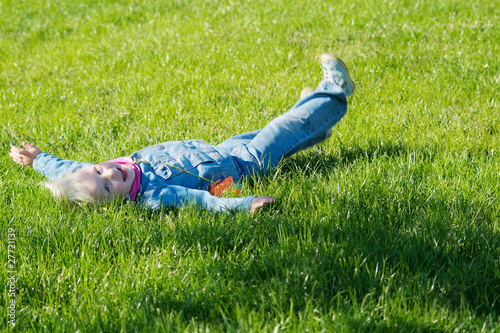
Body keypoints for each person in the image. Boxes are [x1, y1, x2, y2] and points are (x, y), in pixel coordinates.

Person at [9, 53, 355, 213]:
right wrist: (245, 204)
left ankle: (313, 116)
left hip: (223, 149)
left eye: (99, 170)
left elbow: (64, 168)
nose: (111, 174)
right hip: (243, 167)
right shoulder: (153, 196)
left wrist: (38, 159)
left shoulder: (97, 172)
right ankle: (334, 92)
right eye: (107, 187)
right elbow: (202, 201)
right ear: (116, 203)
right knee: (283, 130)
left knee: (283, 131)